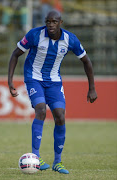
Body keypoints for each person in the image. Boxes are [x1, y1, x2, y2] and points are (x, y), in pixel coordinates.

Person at [8, 10, 97, 174]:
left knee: (60, 116)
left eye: (54, 22)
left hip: (54, 81)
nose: (50, 24)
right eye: (48, 21)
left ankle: (58, 162)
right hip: (33, 78)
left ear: (60, 23)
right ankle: (36, 157)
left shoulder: (70, 39)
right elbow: (15, 54)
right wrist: (10, 80)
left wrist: (91, 87)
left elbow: (86, 61)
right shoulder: (35, 35)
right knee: (41, 109)